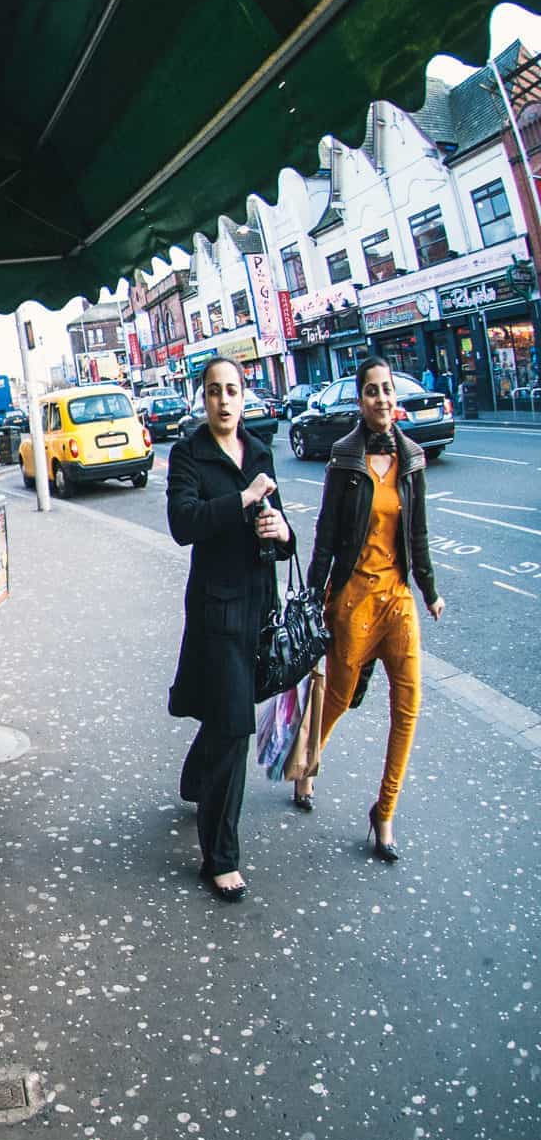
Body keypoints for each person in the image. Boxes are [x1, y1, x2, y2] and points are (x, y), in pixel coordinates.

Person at [295, 356, 444, 861]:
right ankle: (306, 764)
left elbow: (417, 532)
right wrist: (316, 594)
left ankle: (384, 812)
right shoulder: (345, 458)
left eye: (388, 390)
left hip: (398, 602)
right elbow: (326, 533)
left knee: (408, 708)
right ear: (360, 401)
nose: (382, 399)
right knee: (336, 698)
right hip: (354, 600)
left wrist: (429, 588)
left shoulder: (412, 459)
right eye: (373, 391)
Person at [166, 356, 293, 903]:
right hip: (218, 610)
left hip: (259, 605)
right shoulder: (188, 455)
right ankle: (219, 858)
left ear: (244, 397)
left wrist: (281, 529)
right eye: (214, 391)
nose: (224, 400)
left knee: (225, 713)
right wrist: (241, 500)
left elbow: (281, 531)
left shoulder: (260, 451)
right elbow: (182, 524)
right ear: (203, 398)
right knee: (236, 725)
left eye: (233, 390)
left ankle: (196, 781)